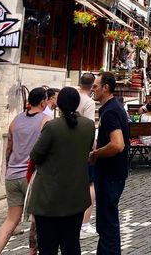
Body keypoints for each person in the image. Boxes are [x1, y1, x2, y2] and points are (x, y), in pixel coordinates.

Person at [28, 87, 95, 255]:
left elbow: (35, 156)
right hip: (76, 197)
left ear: (58, 104)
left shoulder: (52, 127)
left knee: (48, 247)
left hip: (50, 197)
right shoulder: (88, 126)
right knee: (71, 244)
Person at [0, 88, 50, 255]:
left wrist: (8, 169)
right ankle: (32, 251)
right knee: (37, 217)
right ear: (42, 102)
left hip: (12, 174)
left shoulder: (15, 120)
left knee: (11, 219)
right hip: (31, 175)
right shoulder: (45, 121)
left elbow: (9, 149)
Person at [90, 72, 129, 255]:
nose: (92, 89)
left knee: (107, 223)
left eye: (96, 86)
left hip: (110, 174)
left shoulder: (110, 111)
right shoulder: (113, 108)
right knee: (106, 222)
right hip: (113, 173)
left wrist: (96, 153)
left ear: (106, 88)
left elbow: (117, 144)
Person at [77, 72, 98, 236]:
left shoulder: (71, 97)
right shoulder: (89, 102)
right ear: (92, 86)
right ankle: (84, 223)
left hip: (67, 145)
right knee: (90, 185)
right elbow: (89, 127)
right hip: (83, 148)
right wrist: (93, 149)